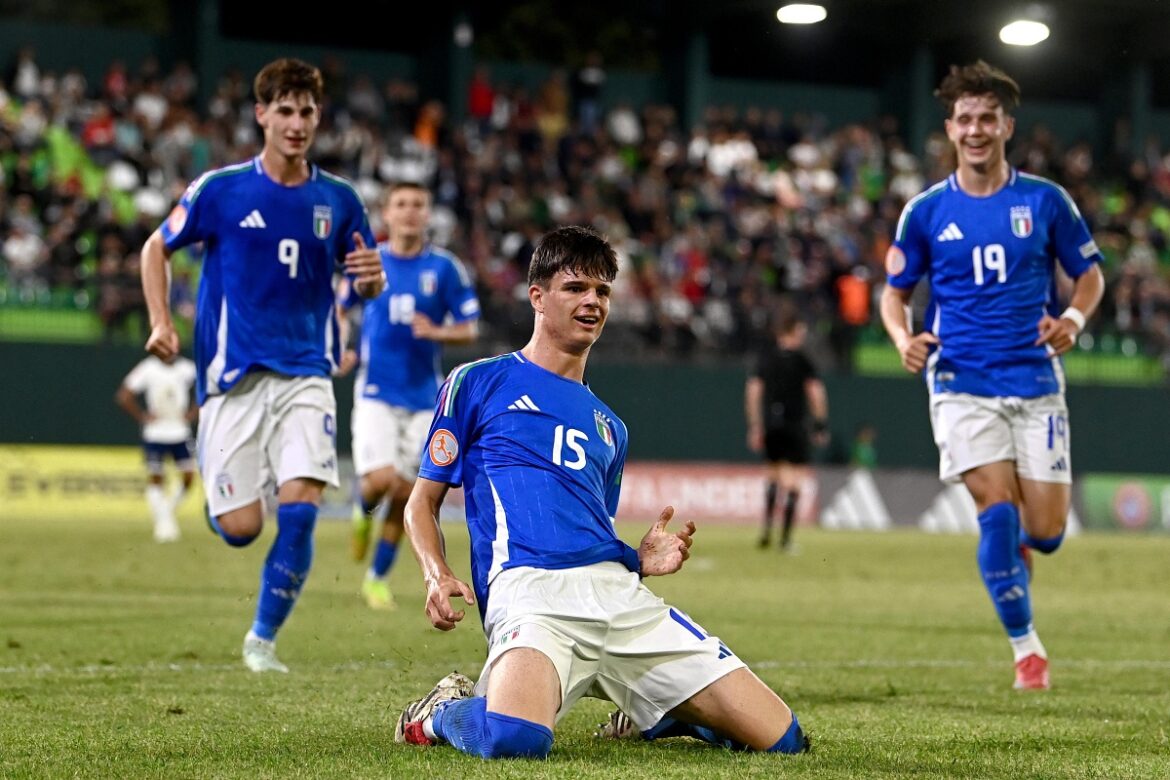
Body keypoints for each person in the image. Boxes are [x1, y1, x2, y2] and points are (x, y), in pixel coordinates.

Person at [393, 225, 810, 759]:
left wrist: (636, 558)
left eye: (603, 290)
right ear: (538, 296)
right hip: (530, 591)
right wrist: (437, 573)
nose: (592, 301)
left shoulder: (610, 426)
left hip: (617, 596)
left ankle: (658, 714)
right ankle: (442, 712)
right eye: (576, 288)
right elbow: (420, 502)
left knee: (784, 740)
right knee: (516, 741)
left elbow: (589, 528)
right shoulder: (478, 381)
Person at [139, 57, 386, 673]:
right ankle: (224, 497)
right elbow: (155, 247)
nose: (297, 122)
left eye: (307, 111)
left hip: (307, 374)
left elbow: (361, 287)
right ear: (262, 115)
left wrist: (372, 284)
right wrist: (161, 321)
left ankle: (262, 640)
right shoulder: (220, 191)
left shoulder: (341, 200)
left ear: (317, 118)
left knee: (300, 511)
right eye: (285, 110)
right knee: (243, 527)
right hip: (233, 381)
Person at [879, 61, 1105, 691]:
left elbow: (1089, 274)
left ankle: (1025, 549)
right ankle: (1027, 650)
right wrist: (902, 338)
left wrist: (1075, 317)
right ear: (950, 130)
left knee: (1047, 532)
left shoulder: (1045, 200)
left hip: (1035, 380)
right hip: (960, 380)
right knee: (996, 510)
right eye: (964, 119)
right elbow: (893, 293)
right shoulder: (924, 213)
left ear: (1007, 125)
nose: (976, 129)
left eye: (987, 118)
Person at [343, 181, 481, 610]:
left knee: (407, 491)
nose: (409, 212)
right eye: (401, 204)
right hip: (376, 391)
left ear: (428, 213)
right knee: (381, 481)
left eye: (418, 204)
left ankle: (377, 578)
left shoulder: (444, 269)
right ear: (387, 213)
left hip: (425, 398)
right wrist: (341, 347)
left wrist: (437, 331)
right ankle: (361, 509)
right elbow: (338, 307)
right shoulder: (371, 262)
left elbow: (470, 327)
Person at [745, 308, 829, 552]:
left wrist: (755, 424)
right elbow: (815, 392)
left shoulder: (766, 358)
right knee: (793, 481)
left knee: (772, 475)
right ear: (793, 330)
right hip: (794, 424)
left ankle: (766, 531)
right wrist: (820, 423)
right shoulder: (803, 360)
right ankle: (785, 539)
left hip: (771, 423)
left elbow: (753, 390)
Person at [115, 349, 198, 543]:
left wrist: (193, 413)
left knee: (188, 477)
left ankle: (166, 515)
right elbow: (124, 395)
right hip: (156, 432)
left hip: (180, 430)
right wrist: (142, 417)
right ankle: (163, 523)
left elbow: (208, 386)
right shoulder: (148, 368)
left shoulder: (187, 368)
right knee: (156, 477)